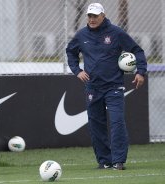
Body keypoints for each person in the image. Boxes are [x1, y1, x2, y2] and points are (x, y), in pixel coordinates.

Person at [66, 3, 147, 170]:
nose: (92, 19)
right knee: (96, 125)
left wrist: (140, 72)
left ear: (103, 15)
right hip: (92, 87)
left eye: (95, 16)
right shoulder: (81, 35)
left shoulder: (116, 33)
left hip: (114, 87)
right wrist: (77, 70)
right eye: (89, 16)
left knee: (117, 122)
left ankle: (118, 161)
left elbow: (137, 50)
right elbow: (70, 51)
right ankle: (104, 161)